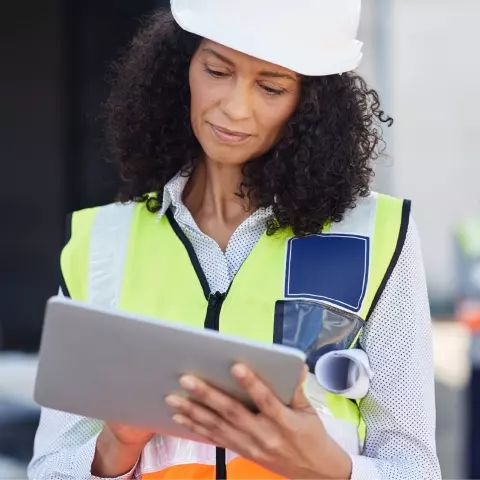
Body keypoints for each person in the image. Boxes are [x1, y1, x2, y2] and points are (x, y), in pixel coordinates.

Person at [28, 0, 441, 479]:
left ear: (311, 102)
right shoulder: (101, 245)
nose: (234, 106)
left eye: (270, 86)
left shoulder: (377, 236)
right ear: (181, 65)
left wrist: (326, 467)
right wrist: (115, 448)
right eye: (216, 70)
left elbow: (414, 469)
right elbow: (50, 470)